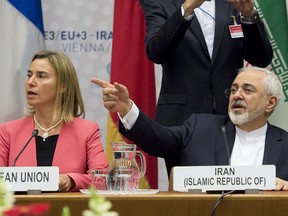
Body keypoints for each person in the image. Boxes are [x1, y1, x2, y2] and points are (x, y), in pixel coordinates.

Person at [92, 66, 288, 190]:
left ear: (270, 103)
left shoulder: (285, 145)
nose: (237, 95)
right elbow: (158, 139)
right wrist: (127, 109)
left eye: (247, 90)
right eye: (234, 89)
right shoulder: (200, 128)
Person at [142, 0, 273, 175]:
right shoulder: (161, 3)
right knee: (186, 196)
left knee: (234, 194)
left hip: (233, 118)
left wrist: (249, 16)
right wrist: (187, 9)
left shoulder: (232, 3)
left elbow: (261, 58)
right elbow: (156, 51)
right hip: (182, 120)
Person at [0, 50, 109, 192]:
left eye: (41, 76)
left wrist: (71, 180)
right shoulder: (8, 131)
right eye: (29, 75)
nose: (30, 82)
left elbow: (102, 180)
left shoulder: (87, 131)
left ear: (63, 86)